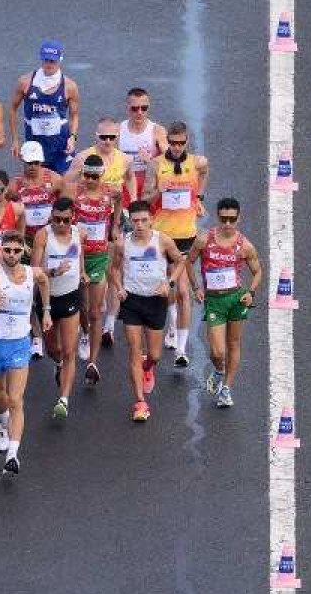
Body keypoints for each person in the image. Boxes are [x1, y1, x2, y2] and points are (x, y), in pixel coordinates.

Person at [0, 231, 48, 474]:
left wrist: (46, 310)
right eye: (7, 250)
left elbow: (44, 280)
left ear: (23, 251)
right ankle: (3, 424)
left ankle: (13, 455)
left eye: (17, 250)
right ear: (1, 250)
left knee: (16, 399)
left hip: (19, 343)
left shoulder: (32, 273)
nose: (12, 255)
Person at [108, 201, 185, 423]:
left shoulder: (162, 240)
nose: (139, 225)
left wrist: (169, 282)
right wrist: (119, 288)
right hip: (132, 300)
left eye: (143, 220)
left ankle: (148, 367)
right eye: (135, 221)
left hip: (156, 301)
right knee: (134, 348)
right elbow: (113, 268)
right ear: (130, 222)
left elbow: (180, 262)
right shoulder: (123, 244)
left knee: (155, 355)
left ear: (151, 220)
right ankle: (140, 402)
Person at [190, 197, 262, 409]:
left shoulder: (245, 245)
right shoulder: (204, 239)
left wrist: (250, 293)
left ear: (239, 218)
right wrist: (196, 287)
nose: (228, 224)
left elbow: (257, 272)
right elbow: (188, 262)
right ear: (218, 217)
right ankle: (219, 370)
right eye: (224, 219)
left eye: (232, 219)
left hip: (236, 298)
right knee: (217, 352)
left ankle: (227, 389)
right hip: (214, 300)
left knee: (233, 344)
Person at [149, 122, 209, 363]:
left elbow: (204, 173)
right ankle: (172, 322)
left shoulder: (197, 163)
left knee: (183, 290)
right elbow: (145, 198)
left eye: (180, 143)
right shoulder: (156, 164)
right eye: (172, 143)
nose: (175, 147)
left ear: (186, 142)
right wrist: (158, 191)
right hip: (161, 235)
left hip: (186, 235)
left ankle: (182, 350)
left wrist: (199, 198)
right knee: (165, 287)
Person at [33, 200, 84, 419]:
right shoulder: (43, 236)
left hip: (71, 295)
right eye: (56, 219)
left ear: (73, 217)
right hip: (47, 299)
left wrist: (82, 273)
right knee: (54, 349)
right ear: (51, 217)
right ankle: (59, 365)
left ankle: (63, 399)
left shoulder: (78, 233)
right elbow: (35, 270)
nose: (61, 224)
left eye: (66, 219)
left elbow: (79, 256)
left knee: (70, 349)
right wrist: (53, 272)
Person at [70, 154, 121, 372]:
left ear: (101, 175)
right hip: (78, 256)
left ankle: (93, 360)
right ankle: (84, 332)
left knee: (95, 310)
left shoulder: (111, 192)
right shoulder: (75, 192)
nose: (90, 180)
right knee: (82, 306)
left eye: (94, 176)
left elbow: (120, 199)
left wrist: (116, 223)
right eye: (87, 175)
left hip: (99, 256)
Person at [11, 41, 81, 173]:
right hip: (35, 147)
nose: (48, 64)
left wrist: (73, 137)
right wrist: (15, 140)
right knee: (36, 186)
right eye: (46, 60)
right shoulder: (25, 82)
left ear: (60, 60)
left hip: (61, 147)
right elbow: (13, 109)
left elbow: (74, 115)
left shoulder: (70, 86)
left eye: (52, 61)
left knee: (65, 185)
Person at [115, 87, 167, 203]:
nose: (139, 112)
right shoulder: (118, 130)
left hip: (149, 185)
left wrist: (150, 161)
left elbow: (170, 161)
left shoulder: (157, 130)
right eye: (134, 108)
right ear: (127, 108)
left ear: (149, 106)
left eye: (144, 108)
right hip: (126, 184)